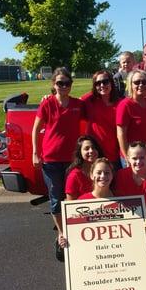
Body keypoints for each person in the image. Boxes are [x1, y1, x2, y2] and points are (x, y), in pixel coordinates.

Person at [31, 67, 84, 258]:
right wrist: (35, 153)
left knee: (73, 197)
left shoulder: (78, 104)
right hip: (51, 160)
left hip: (72, 160)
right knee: (56, 198)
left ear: (71, 85)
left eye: (67, 83)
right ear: (53, 84)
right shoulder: (47, 104)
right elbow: (36, 130)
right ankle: (61, 234)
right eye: (59, 83)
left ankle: (76, 231)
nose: (63, 86)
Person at [116, 69, 146, 170]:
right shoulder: (125, 105)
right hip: (133, 158)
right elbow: (121, 134)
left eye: (144, 82)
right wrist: (127, 157)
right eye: (137, 82)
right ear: (131, 85)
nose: (141, 85)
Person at [114, 141, 146, 232]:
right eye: (134, 158)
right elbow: (120, 203)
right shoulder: (120, 175)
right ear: (128, 159)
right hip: (126, 222)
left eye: (142, 158)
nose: (138, 161)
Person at [82, 70, 122, 167]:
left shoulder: (121, 103)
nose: (102, 85)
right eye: (98, 83)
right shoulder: (88, 100)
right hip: (94, 153)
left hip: (115, 154)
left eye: (105, 81)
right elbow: (69, 103)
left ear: (111, 82)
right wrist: (50, 97)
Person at [65, 135, 102, 200]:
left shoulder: (105, 170)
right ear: (80, 152)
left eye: (93, 148)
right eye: (86, 149)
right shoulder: (74, 176)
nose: (91, 151)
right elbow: (70, 203)